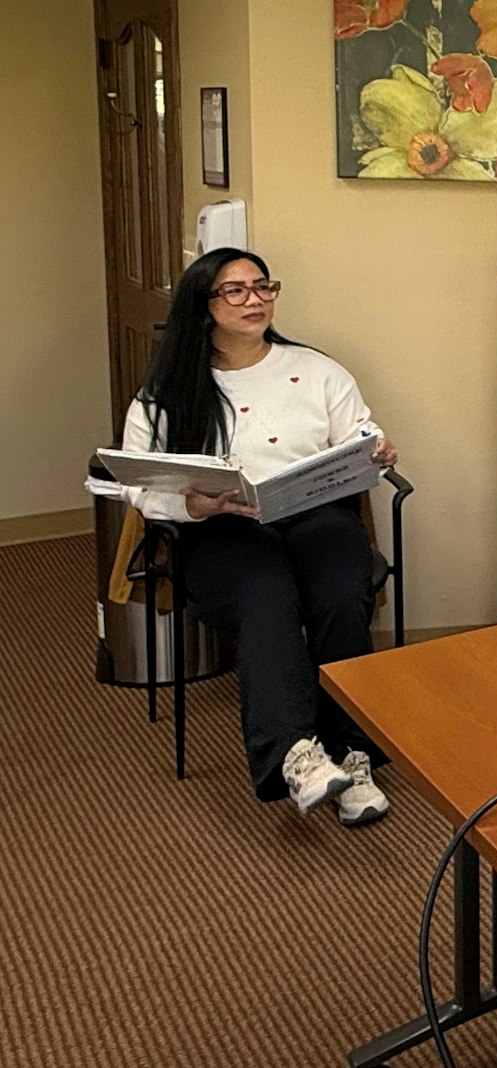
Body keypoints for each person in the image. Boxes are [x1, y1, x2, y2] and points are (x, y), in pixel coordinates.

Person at [121, 247, 396, 825]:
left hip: (314, 515)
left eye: (263, 287)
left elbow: (360, 433)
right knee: (266, 593)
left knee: (343, 589)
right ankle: (296, 754)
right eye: (236, 290)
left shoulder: (318, 370)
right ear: (204, 305)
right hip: (223, 529)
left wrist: (374, 450)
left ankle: (353, 752)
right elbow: (139, 484)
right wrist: (191, 502)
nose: (255, 300)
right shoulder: (168, 393)